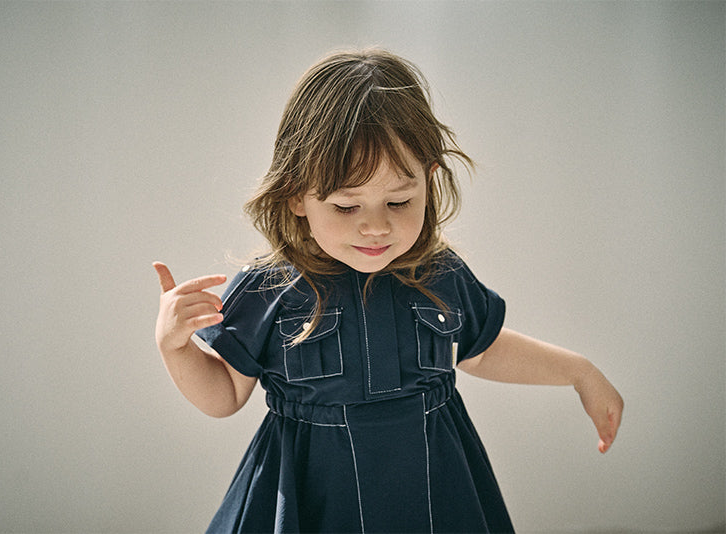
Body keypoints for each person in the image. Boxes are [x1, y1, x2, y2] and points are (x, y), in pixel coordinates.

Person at [152, 48, 623, 533]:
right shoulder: (270, 288)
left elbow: (480, 350)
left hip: (433, 491)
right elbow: (225, 394)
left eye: (399, 200)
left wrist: (578, 372)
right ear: (296, 195)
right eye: (347, 207)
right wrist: (174, 346)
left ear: (430, 181)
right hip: (314, 498)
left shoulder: (437, 273)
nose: (376, 227)